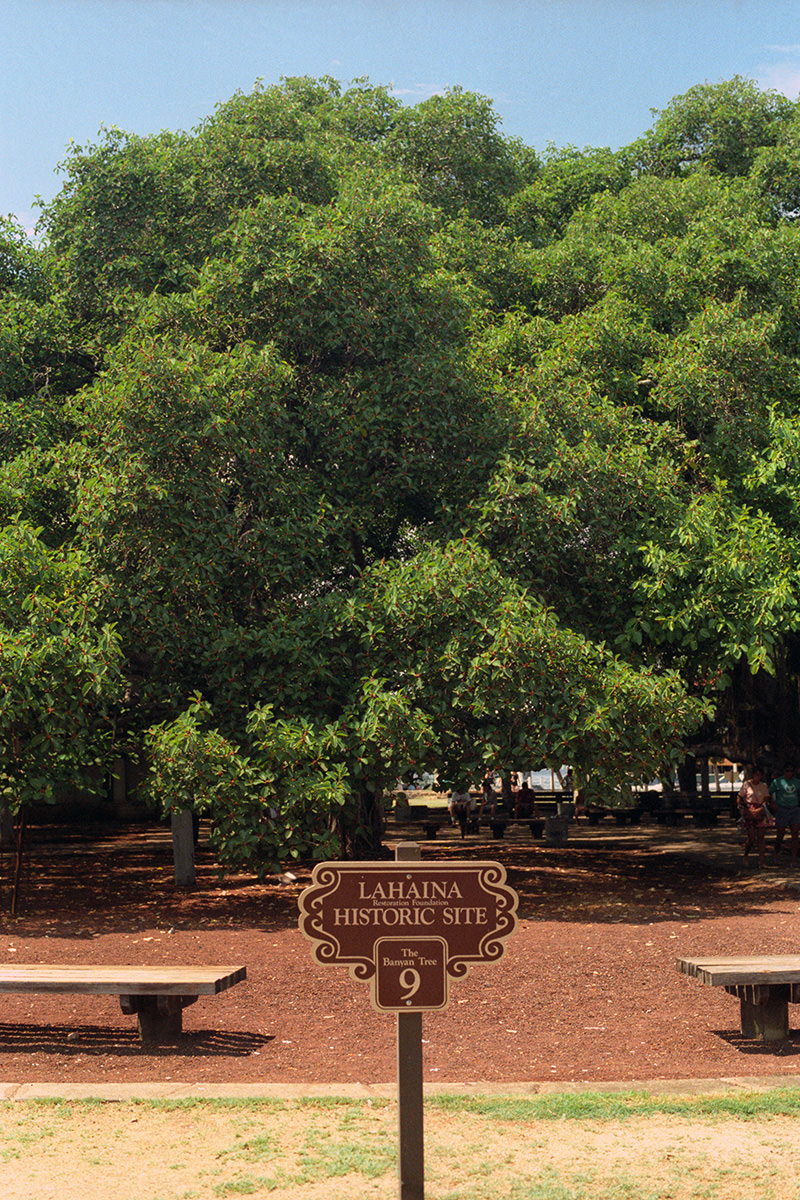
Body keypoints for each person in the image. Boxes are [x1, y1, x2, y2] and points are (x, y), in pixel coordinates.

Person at [738, 766, 770, 869]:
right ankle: (746, 855)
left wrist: (761, 808)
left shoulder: (763, 786)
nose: (758, 777)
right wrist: (742, 808)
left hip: (760, 810)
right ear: (753, 775)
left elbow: (766, 799)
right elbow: (740, 797)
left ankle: (761, 862)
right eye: (756, 775)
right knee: (751, 838)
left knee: (761, 837)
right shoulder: (746, 784)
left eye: (760, 775)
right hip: (749, 810)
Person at [769, 764, 800, 867]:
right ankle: (776, 854)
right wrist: (773, 804)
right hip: (782, 809)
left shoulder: (797, 782)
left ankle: (793, 859)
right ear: (784, 771)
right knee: (780, 834)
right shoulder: (777, 782)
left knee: (795, 834)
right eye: (787, 771)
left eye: (791, 771)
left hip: (794, 809)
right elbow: (768, 794)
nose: (789, 773)